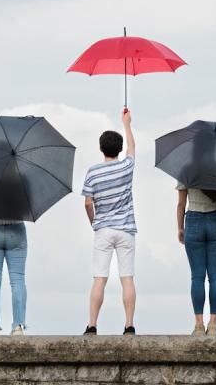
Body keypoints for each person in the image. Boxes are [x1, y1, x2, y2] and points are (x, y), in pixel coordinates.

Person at [82, 108, 137, 335]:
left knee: (99, 279)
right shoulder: (126, 166)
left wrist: (94, 222)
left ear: (100, 148)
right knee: (127, 279)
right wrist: (127, 123)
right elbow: (133, 149)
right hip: (126, 229)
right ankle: (129, 324)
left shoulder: (93, 172)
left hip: (103, 229)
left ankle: (93, 324)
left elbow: (87, 203)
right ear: (119, 148)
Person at [176, 185, 216, 335]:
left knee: (197, 277)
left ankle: (199, 325)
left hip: (193, 221)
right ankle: (213, 325)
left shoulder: (186, 169)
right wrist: (214, 204)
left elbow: (181, 204)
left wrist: (180, 228)